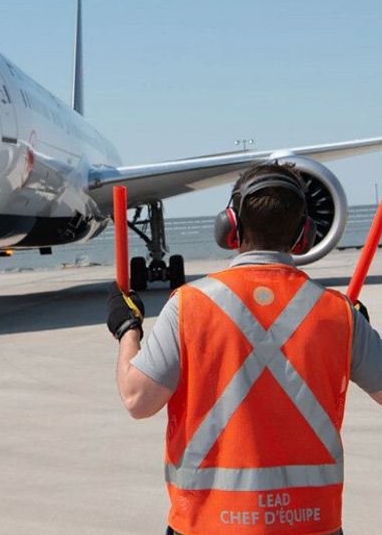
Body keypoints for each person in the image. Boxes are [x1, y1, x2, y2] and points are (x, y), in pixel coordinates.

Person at [107, 162, 382, 535]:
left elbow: (137, 399)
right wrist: (355, 328)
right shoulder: (337, 314)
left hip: (207, 524)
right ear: (304, 234)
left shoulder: (190, 305)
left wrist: (128, 328)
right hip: (313, 525)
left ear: (230, 226)